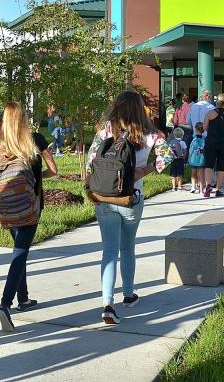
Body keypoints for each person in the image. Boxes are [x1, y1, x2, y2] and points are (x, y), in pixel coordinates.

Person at [86, 91, 171, 326]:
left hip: (104, 197)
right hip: (132, 198)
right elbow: (167, 158)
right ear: (139, 109)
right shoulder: (151, 134)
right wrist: (145, 170)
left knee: (109, 250)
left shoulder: (105, 130)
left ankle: (107, 303)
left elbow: (89, 161)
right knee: (128, 246)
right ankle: (129, 294)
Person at [0, 102, 58, 331]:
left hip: (7, 206)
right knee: (20, 253)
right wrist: (37, 176)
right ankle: (5, 304)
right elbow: (53, 169)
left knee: (20, 249)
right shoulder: (35, 139)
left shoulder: (0, 145)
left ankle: (23, 299)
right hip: (30, 205)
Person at [202, 93, 224, 198]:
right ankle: (218, 189)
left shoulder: (210, 113)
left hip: (211, 142)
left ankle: (208, 185)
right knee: (221, 167)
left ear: (216, 102)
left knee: (209, 165)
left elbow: (204, 127)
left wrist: (211, 130)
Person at [188, 122, 206, 194]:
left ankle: (193, 187)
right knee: (201, 175)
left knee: (193, 173)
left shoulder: (192, 138)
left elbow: (189, 148)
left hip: (193, 158)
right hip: (201, 159)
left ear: (195, 129)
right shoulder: (205, 139)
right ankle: (201, 190)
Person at [167, 127, 188, 191]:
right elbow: (185, 151)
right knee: (180, 173)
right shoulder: (183, 142)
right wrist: (184, 156)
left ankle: (173, 187)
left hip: (173, 160)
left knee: (173, 173)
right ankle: (179, 186)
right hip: (180, 160)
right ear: (182, 135)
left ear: (174, 135)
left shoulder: (171, 142)